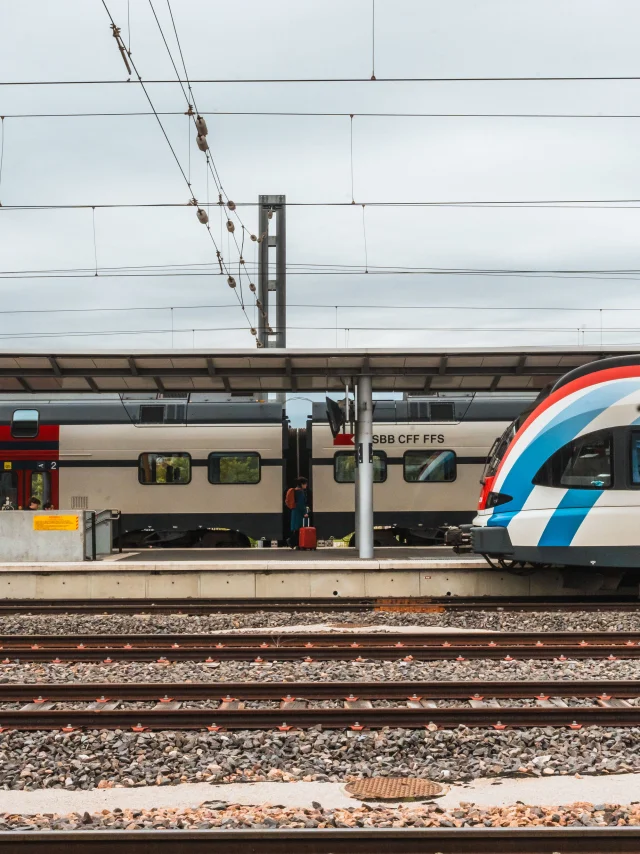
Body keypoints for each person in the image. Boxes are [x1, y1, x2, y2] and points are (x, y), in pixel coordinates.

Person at [288, 477, 308, 549]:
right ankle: (292, 542)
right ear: (302, 484)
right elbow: (301, 504)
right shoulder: (300, 492)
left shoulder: (295, 491)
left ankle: (294, 542)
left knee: (296, 528)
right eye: (305, 484)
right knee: (299, 528)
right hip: (299, 512)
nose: (306, 485)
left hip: (294, 511)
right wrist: (305, 512)